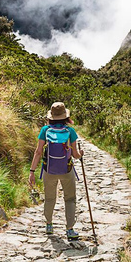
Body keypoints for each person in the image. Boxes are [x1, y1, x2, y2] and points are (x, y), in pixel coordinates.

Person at [29, 101, 82, 240]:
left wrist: (32, 171)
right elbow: (75, 155)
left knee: (50, 198)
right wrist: (81, 154)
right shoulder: (70, 131)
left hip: (49, 170)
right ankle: (70, 229)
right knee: (70, 199)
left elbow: (38, 152)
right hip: (67, 170)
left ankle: (49, 225)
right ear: (65, 116)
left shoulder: (45, 130)